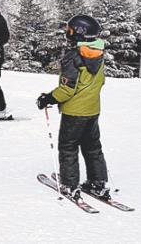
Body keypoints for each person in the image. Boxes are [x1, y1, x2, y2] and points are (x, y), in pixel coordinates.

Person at [36, 14, 110, 200]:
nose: (67, 35)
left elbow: (67, 89)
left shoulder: (74, 57)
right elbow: (100, 81)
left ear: (78, 34)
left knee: (68, 147)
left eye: (70, 31)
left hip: (74, 112)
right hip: (92, 110)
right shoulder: (98, 54)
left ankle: (69, 184)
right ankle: (97, 182)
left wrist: (48, 98)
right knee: (92, 147)